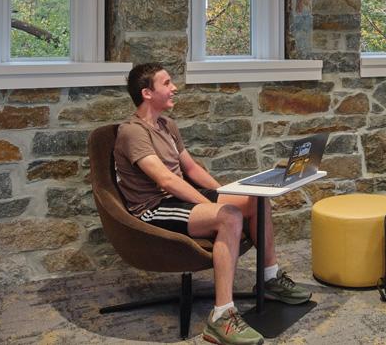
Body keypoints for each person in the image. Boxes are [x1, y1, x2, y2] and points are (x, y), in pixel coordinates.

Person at [115, 63, 311, 345]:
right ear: (147, 93)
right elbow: (166, 182)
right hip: (153, 208)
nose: (174, 88)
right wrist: (216, 204)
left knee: (256, 201)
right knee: (229, 216)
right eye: (167, 83)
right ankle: (221, 317)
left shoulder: (166, 125)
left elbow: (191, 169)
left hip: (178, 198)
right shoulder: (132, 132)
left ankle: (269, 278)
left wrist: (220, 192)